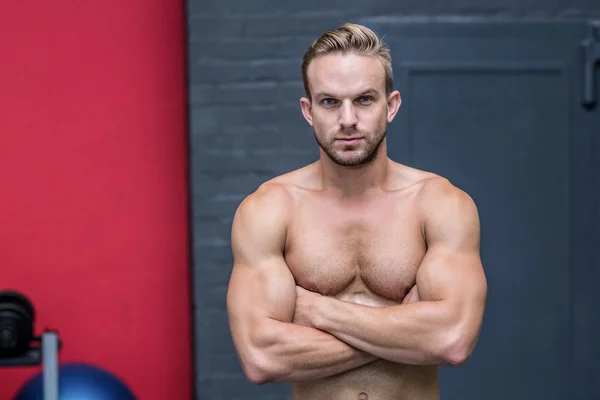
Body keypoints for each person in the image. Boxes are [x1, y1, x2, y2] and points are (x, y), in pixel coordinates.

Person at [226, 23, 487, 400]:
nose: (347, 119)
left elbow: (451, 340)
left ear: (391, 105)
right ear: (308, 111)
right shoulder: (269, 210)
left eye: (364, 99)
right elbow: (261, 358)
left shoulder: (440, 205)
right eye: (330, 102)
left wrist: (316, 311)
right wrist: (407, 332)